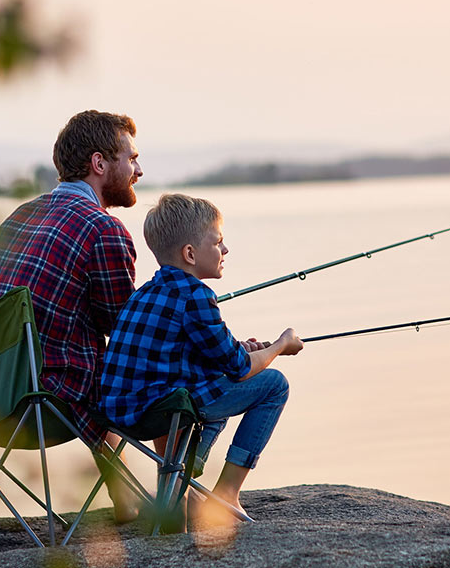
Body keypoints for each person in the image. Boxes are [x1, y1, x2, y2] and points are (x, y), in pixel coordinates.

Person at [0, 110, 144, 521]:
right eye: (131, 158)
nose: (139, 169)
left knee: (89, 361)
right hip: (39, 404)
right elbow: (124, 334)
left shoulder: (19, 216)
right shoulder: (103, 229)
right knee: (143, 365)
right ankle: (170, 501)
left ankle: (127, 499)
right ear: (100, 164)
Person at [100, 193, 304, 522]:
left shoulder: (143, 294)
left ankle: (181, 485)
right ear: (190, 254)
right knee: (273, 384)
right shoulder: (196, 295)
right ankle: (226, 493)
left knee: (212, 380)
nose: (225, 250)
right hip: (163, 410)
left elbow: (192, 350)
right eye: (218, 242)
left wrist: (242, 347)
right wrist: (280, 345)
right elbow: (238, 368)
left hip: (120, 413)